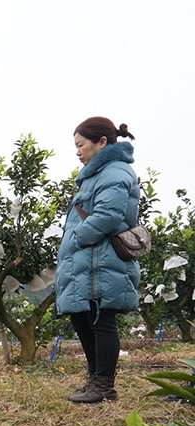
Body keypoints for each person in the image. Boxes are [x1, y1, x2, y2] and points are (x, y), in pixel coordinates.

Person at [55, 117, 141, 403]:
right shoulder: (98, 175)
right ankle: (95, 378)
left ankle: (104, 386)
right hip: (88, 261)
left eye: (81, 145)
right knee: (82, 319)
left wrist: (77, 239)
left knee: (101, 321)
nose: (77, 151)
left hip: (100, 261)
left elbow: (109, 215)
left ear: (102, 142)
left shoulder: (115, 172)